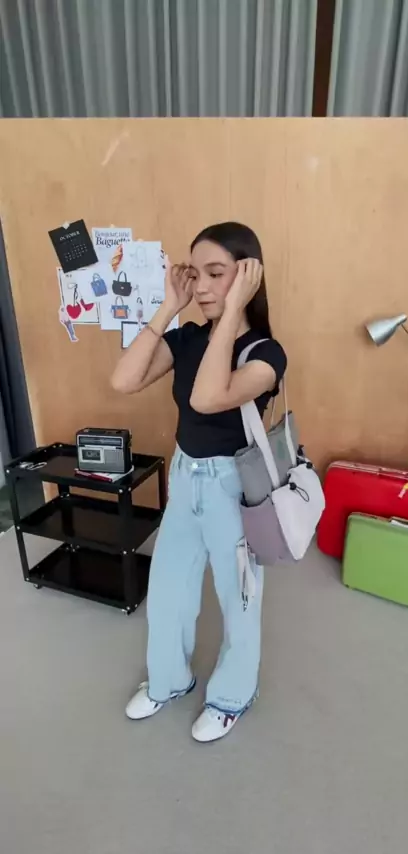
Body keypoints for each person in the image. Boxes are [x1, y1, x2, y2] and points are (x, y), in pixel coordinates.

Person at [111, 222, 287, 742]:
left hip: (235, 486)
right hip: (186, 475)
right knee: (168, 589)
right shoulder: (187, 338)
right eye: (197, 273)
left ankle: (232, 695)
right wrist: (170, 306)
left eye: (218, 274)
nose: (203, 287)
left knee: (240, 598)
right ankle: (169, 680)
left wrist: (233, 313)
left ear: (248, 277)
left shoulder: (265, 353)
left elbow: (207, 398)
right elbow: (123, 380)